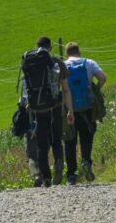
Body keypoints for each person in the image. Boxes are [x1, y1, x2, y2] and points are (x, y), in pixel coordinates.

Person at [20, 36, 73, 187]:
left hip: (37, 108)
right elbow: (66, 90)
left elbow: (25, 89)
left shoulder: (30, 62)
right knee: (56, 140)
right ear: (50, 47)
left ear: (37, 46)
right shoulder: (57, 62)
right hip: (55, 106)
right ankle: (58, 173)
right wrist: (70, 111)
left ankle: (46, 178)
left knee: (42, 144)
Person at [63, 42, 106, 185]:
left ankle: (71, 175)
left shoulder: (62, 66)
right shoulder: (89, 63)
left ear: (66, 54)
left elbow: (60, 87)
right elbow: (102, 78)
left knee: (70, 141)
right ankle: (86, 161)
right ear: (78, 52)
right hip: (87, 108)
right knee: (86, 137)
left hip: (69, 110)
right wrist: (96, 90)